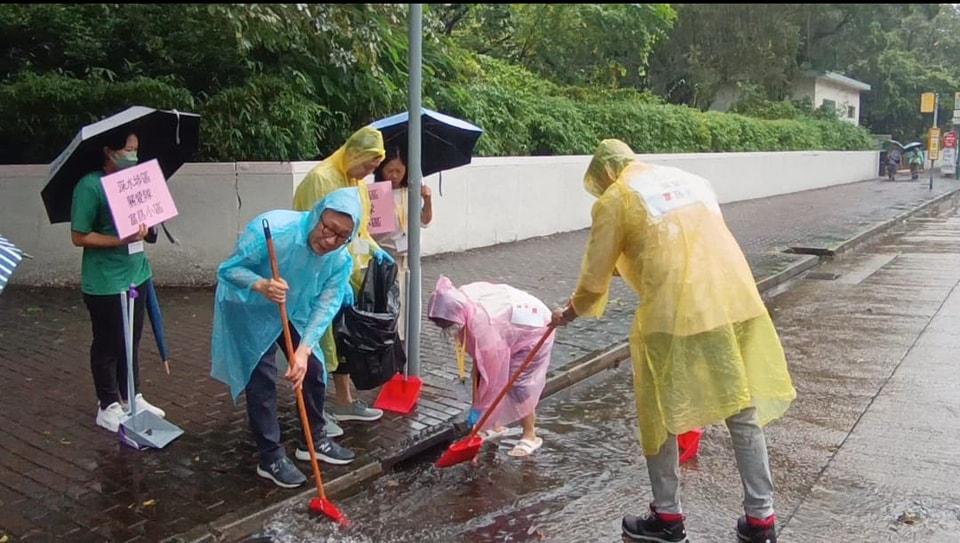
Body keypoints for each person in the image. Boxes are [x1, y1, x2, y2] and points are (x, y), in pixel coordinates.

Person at [550, 140, 796, 543]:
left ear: (605, 173)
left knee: (660, 415)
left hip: (676, 312)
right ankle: (761, 521)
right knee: (742, 408)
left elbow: (594, 281)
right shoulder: (690, 180)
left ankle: (667, 518)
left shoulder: (617, 197)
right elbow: (672, 242)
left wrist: (569, 313)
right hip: (736, 300)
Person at [211, 188, 362, 489]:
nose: (330, 240)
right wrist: (261, 284)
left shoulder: (340, 259)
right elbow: (227, 270)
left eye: (342, 236)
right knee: (262, 377)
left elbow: (327, 303)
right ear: (317, 215)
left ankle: (313, 440)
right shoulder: (272, 230)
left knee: (314, 370)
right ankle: (270, 457)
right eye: (327, 228)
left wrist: (304, 351)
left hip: (294, 307)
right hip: (249, 306)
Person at [292, 126, 389, 436]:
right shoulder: (321, 180)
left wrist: (376, 252)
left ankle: (344, 402)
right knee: (317, 344)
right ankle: (316, 416)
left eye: (373, 169)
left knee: (342, 341)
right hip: (317, 277)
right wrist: (332, 276)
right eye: (367, 165)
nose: (367, 173)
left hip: (346, 276)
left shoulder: (355, 183)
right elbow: (311, 230)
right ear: (354, 153)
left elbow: (359, 232)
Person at [71, 131, 166, 433]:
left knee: (131, 340)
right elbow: (79, 235)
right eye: (127, 150)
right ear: (109, 151)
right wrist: (117, 239)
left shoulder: (139, 181)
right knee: (108, 342)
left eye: (137, 150)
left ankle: (132, 395)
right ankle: (108, 403)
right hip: (105, 281)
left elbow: (151, 231)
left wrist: (148, 227)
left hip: (136, 274)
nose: (133, 156)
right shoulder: (90, 187)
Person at [428, 276, 553, 457]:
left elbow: (492, 376)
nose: (448, 330)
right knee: (483, 373)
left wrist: (479, 411)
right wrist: (476, 410)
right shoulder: (459, 301)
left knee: (519, 384)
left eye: (449, 325)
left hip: (536, 330)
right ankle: (494, 426)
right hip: (509, 326)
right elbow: (479, 368)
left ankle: (530, 435)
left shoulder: (482, 325)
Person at [372, 147, 433, 341]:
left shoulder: (412, 191)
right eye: (390, 170)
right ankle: (391, 338)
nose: (395, 175)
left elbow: (425, 221)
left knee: (409, 304)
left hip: (410, 258)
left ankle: (407, 339)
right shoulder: (377, 194)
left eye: (399, 170)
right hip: (387, 257)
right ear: (381, 170)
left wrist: (428, 199)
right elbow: (371, 233)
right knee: (389, 304)